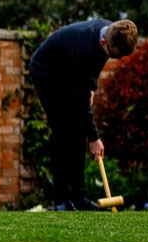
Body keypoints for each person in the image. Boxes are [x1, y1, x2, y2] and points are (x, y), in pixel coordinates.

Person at [28, 18, 139, 211]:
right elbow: (81, 103)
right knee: (62, 130)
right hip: (46, 71)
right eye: (114, 56)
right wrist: (95, 138)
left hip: (68, 69)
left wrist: (92, 89)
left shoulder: (111, 32)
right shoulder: (84, 47)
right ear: (104, 42)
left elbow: (93, 69)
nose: (115, 59)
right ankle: (62, 200)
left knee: (78, 130)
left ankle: (79, 197)